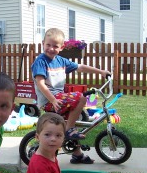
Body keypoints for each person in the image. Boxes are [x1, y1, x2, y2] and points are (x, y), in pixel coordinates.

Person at [32, 27, 112, 164]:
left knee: (71, 123)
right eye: (48, 45)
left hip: (59, 99)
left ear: (61, 47)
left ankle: (77, 155)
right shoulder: (41, 61)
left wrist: (101, 72)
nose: (51, 49)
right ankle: (69, 130)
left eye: (55, 46)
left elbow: (80, 67)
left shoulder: (61, 61)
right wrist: (52, 99)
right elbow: (40, 84)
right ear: (42, 43)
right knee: (80, 98)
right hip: (50, 100)